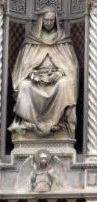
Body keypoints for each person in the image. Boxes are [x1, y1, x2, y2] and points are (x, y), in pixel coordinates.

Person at [9, 8, 79, 139]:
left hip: (56, 79)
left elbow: (71, 66)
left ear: (56, 21)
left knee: (66, 83)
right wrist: (31, 74)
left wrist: (61, 73)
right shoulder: (32, 41)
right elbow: (22, 66)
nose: (48, 22)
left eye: (51, 20)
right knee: (24, 86)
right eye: (46, 20)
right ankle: (28, 124)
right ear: (41, 20)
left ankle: (60, 125)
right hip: (35, 81)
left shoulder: (63, 40)